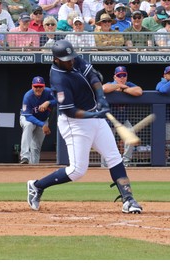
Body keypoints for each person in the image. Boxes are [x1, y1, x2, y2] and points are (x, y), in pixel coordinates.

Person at [26, 40, 142, 214]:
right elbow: (70, 111)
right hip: (75, 124)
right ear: (56, 59)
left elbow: (94, 77)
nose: (70, 61)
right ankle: (37, 186)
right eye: (66, 59)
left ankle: (128, 200)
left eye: (71, 57)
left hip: (93, 116)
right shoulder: (58, 79)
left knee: (114, 158)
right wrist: (93, 115)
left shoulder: (73, 59)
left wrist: (101, 97)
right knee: (77, 171)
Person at [102, 66, 143, 167]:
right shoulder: (111, 84)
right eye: (119, 76)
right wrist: (117, 87)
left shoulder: (128, 85)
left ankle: (125, 161)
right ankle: (105, 164)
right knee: (106, 142)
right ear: (115, 77)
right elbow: (104, 88)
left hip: (123, 120)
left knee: (131, 134)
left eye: (124, 75)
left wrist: (125, 89)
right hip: (109, 120)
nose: (122, 78)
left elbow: (139, 91)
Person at [19, 76, 56, 164]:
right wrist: (42, 125)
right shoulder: (27, 96)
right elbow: (27, 116)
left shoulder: (49, 92)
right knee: (28, 125)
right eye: (36, 86)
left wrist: (48, 102)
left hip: (43, 119)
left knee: (35, 147)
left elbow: (60, 100)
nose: (38, 88)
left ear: (44, 86)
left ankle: (34, 168)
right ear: (32, 86)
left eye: (40, 86)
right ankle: (24, 156)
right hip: (28, 118)